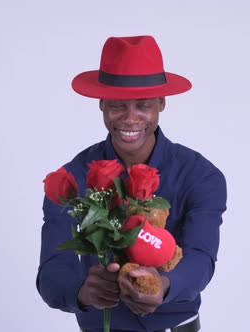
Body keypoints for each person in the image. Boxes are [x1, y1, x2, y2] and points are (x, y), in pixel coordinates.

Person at [36, 35, 227, 332]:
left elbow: (201, 258)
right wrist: (83, 291)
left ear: (161, 104)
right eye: (117, 106)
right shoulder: (70, 179)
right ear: (101, 104)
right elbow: (51, 270)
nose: (130, 118)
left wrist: (162, 285)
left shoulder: (200, 175)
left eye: (143, 106)